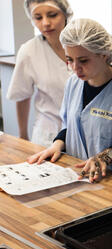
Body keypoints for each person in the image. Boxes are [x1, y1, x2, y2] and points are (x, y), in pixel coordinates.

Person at [27, 18, 112, 185]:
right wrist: (57, 145)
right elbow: (70, 126)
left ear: (104, 55)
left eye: (83, 60)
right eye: (70, 59)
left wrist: (106, 156)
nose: (75, 68)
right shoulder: (73, 83)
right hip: (86, 179)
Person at [7, 0, 73, 147]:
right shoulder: (29, 51)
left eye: (52, 15)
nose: (46, 23)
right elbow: (22, 95)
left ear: (66, 13)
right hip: (48, 134)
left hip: (82, 134)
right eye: (38, 17)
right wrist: (23, 138)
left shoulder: (82, 45)